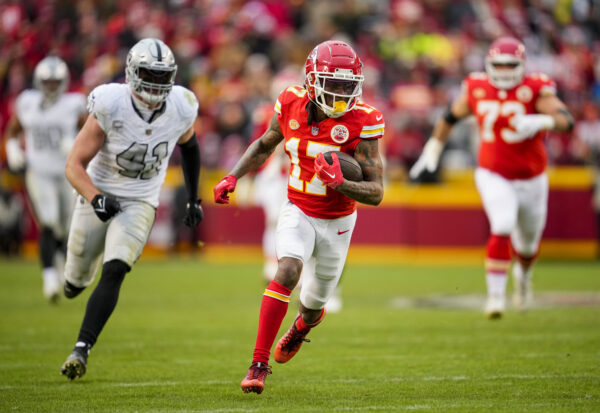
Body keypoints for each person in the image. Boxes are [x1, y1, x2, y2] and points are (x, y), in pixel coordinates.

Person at [213, 40, 385, 394]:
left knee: (312, 307)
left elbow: (377, 191)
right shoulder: (290, 101)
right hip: (298, 209)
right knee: (287, 269)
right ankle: (258, 364)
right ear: (311, 80)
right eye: (332, 84)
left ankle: (302, 327)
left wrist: (342, 184)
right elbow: (264, 144)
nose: (340, 93)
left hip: (338, 222)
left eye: (346, 86)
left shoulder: (364, 121)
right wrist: (232, 175)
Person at [60, 38, 203, 380]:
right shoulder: (111, 103)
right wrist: (96, 197)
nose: (155, 83)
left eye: (160, 76)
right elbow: (74, 165)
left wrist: (193, 197)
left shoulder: (182, 105)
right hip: (100, 191)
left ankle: (82, 348)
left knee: (116, 269)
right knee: (75, 282)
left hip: (141, 199)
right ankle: (73, 279)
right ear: (132, 73)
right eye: (147, 75)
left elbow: (191, 147)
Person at [410, 37, 574, 318]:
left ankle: (522, 280)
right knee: (502, 224)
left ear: (521, 65)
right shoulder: (477, 87)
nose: (505, 70)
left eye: (510, 64)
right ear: (489, 64)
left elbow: (566, 121)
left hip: (532, 176)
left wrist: (541, 121)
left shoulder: (535, 88)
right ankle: (496, 298)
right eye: (499, 64)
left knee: (528, 245)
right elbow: (450, 117)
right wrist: (433, 148)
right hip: (493, 172)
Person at [3, 56, 87, 302]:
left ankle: (60, 267)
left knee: (66, 225)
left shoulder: (74, 103)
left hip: (67, 172)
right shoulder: (28, 102)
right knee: (48, 222)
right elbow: (13, 130)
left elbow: (89, 133)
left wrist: (76, 145)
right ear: (39, 81)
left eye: (55, 81)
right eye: (47, 82)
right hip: (38, 171)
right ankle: (49, 278)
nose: (51, 86)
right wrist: (11, 147)